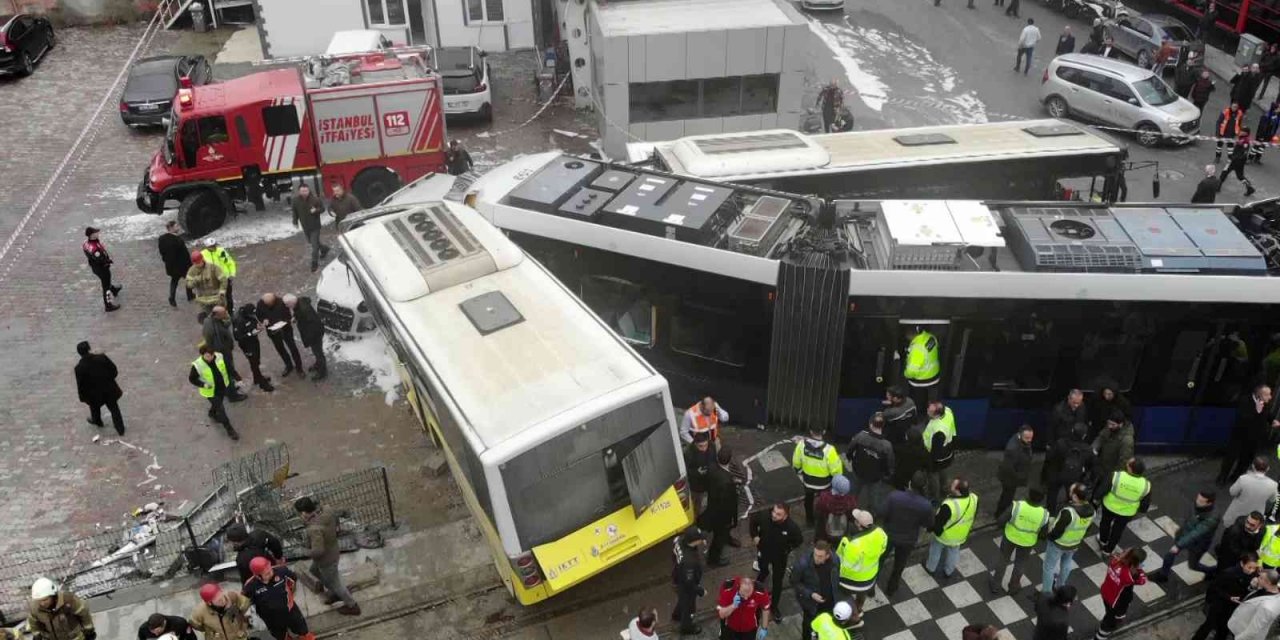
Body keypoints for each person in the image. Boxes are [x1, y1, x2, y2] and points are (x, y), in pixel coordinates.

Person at [295, 496, 361, 615]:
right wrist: (337, 528)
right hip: (333, 550)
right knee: (314, 571)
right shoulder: (327, 510)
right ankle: (335, 592)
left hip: (326, 560)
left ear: (304, 513)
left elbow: (318, 551)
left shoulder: (314, 529)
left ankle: (352, 605)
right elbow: (336, 518)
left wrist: (303, 551)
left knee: (335, 583)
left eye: (299, 513)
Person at [881, 471, 934, 597]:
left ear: (910, 483)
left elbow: (882, 512)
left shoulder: (894, 496)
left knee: (879, 559)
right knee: (899, 564)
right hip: (908, 540)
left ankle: (870, 585)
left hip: (889, 535)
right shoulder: (926, 505)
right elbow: (929, 524)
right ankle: (891, 588)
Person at [1149, 490, 1220, 582]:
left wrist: (1179, 545)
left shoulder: (1212, 518)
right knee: (1169, 555)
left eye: (1201, 501)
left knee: (1193, 566)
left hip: (1198, 544)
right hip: (1184, 536)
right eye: (1198, 498)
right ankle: (1163, 575)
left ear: (1209, 503)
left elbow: (1196, 533)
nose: (1197, 502)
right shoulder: (1198, 506)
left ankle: (1212, 570)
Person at [989, 487, 1049, 595]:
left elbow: (1001, 520)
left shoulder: (1017, 506)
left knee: (1003, 560)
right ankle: (1013, 587)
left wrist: (1003, 526)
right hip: (1027, 542)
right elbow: (1044, 534)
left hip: (1010, 537)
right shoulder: (1044, 514)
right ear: (1041, 499)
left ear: (1029, 495)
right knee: (1020, 563)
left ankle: (995, 585)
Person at [1193, 552, 1260, 640]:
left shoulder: (1253, 575)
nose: (1252, 570)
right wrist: (1229, 597)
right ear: (1242, 563)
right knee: (1208, 626)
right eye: (1249, 567)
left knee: (1223, 630)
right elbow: (1215, 587)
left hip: (1233, 608)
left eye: (1254, 568)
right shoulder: (1229, 573)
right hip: (1220, 605)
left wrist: (1252, 586)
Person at [750, 502, 802, 616]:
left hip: (779, 557)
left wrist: (787, 549)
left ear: (785, 515)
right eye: (774, 512)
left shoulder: (791, 527)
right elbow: (753, 522)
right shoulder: (764, 517)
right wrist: (755, 536)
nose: (774, 515)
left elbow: (798, 540)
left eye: (778, 514)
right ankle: (760, 581)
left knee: (777, 581)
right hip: (763, 551)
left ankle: (774, 606)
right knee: (762, 570)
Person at [242, 556, 312, 640]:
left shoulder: (282, 571)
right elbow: (244, 603)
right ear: (258, 576)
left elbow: (293, 581)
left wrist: (290, 595)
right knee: (282, 637)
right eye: (267, 574)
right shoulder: (250, 586)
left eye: (270, 569)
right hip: (272, 620)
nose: (270, 573)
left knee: (304, 633)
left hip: (291, 612)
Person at [1042, 483, 1094, 594]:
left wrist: (1049, 537)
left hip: (1058, 544)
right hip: (1074, 543)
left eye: (1071, 491)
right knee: (1066, 564)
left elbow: (1057, 531)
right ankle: (1060, 586)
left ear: (1075, 497)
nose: (1069, 493)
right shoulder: (1092, 511)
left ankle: (1046, 593)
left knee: (1049, 568)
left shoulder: (1068, 512)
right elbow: (1087, 528)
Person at [1219, 384, 1276, 484]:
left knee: (1246, 460)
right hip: (1240, 436)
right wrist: (1257, 412)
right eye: (1267, 395)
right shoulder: (1245, 401)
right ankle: (1222, 477)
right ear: (1259, 395)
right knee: (1231, 457)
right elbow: (1244, 418)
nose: (1270, 397)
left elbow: (1268, 414)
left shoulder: (1266, 404)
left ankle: (1235, 477)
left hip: (1254, 438)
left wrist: (1272, 421)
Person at [835, 509, 884, 622]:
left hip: (850, 581)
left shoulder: (849, 543)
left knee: (844, 597)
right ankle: (859, 609)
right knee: (862, 595)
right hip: (870, 579)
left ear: (858, 524)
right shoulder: (880, 533)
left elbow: (840, 560)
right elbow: (882, 549)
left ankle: (850, 615)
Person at [1095, 457, 1152, 554]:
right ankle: (1108, 550)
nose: (1126, 464)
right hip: (1127, 512)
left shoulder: (1116, 476)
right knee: (1118, 530)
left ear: (1130, 468)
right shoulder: (1146, 485)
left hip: (1110, 506)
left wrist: (1096, 498)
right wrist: (1140, 510)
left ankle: (1102, 540)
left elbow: (1102, 490)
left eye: (1128, 464)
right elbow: (1145, 504)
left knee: (1105, 523)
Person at [189, 344, 243, 440]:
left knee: (218, 404)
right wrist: (203, 385)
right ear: (202, 355)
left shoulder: (219, 356)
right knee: (221, 409)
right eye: (207, 356)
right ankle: (229, 429)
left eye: (211, 355)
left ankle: (212, 413)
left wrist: (237, 377)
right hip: (210, 392)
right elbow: (192, 379)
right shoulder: (197, 365)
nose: (210, 358)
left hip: (222, 387)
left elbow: (228, 367)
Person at [926, 477, 977, 579]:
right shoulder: (974, 498)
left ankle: (931, 568)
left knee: (935, 550)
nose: (950, 486)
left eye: (953, 486)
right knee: (954, 552)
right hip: (961, 534)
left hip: (945, 535)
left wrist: (930, 529)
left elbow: (938, 523)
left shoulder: (949, 505)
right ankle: (948, 571)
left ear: (957, 491)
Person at [847, 413, 894, 517]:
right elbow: (890, 463)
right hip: (875, 477)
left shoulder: (861, 436)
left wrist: (850, 458)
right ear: (883, 426)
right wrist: (887, 474)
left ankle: (850, 513)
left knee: (853, 495)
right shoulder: (886, 445)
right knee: (874, 500)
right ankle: (872, 517)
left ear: (871, 424)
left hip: (858, 472)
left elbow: (850, 449)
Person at [794, 428, 843, 525]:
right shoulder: (829, 449)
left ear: (811, 431)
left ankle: (809, 520)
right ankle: (822, 520)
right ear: (824, 432)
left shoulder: (801, 445)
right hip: (824, 484)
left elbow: (796, 462)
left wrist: (799, 471)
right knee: (824, 502)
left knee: (808, 500)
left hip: (808, 481)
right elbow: (836, 470)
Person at [1095, 548, 1147, 640]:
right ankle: (1100, 637)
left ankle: (1117, 618)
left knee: (1113, 612)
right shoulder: (1129, 576)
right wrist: (1139, 570)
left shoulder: (1115, 560)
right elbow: (1142, 581)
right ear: (1136, 563)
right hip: (1114, 600)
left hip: (1106, 592)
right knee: (1109, 620)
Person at [75, 340, 124, 436]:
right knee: (114, 409)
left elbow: (81, 385)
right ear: (89, 348)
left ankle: (97, 422)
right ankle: (120, 429)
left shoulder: (79, 368)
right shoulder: (102, 358)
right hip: (108, 389)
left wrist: (83, 398)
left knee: (94, 408)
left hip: (93, 393)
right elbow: (114, 370)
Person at [792, 540, 840, 636]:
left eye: (820, 556)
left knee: (827, 625)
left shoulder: (835, 560)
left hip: (830, 602)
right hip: (812, 605)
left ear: (827, 556)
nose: (816, 558)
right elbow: (794, 582)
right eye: (815, 554)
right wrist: (811, 594)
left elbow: (837, 577)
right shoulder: (802, 564)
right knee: (808, 626)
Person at [1043, 424, 1094, 512]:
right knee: (1071, 494)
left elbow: (1050, 457)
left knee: (1052, 494)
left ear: (1072, 431)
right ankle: (1068, 511)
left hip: (1057, 473)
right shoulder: (1087, 449)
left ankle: (1050, 513)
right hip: (1073, 476)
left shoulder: (1061, 443)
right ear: (1084, 435)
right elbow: (1091, 464)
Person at [701, 447, 739, 567]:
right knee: (718, 538)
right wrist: (733, 517)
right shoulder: (727, 482)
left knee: (722, 533)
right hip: (722, 515)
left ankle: (728, 538)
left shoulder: (712, 468)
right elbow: (729, 503)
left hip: (713, 506)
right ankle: (713, 559)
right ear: (729, 460)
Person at [28, 577, 95, 640]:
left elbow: (84, 613)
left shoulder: (69, 600)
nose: (42, 603)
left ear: (53, 595)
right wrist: (37, 635)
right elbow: (33, 623)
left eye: (45, 600)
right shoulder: (35, 607)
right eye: (39, 600)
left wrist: (89, 630)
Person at [672, 527, 708, 636]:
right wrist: (700, 591)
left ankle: (677, 615)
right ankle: (686, 627)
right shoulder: (690, 562)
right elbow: (689, 583)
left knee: (682, 599)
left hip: (677, 574)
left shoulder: (677, 540)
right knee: (689, 606)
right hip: (685, 584)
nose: (702, 540)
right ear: (694, 541)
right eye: (700, 539)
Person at [258, 293, 305, 378]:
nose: (267, 305)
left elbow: (288, 317)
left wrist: (282, 324)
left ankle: (299, 368)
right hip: (272, 332)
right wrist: (264, 320)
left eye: (269, 304)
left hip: (285, 330)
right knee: (280, 349)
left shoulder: (282, 303)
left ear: (273, 301)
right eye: (266, 304)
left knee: (293, 348)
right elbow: (259, 315)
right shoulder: (261, 303)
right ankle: (288, 365)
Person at [994, 425, 1035, 519]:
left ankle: (1001, 513)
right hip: (1010, 478)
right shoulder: (1013, 449)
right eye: (1027, 438)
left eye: (1031, 438)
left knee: (1007, 495)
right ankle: (1000, 515)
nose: (1030, 440)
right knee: (1007, 497)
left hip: (1014, 476)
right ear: (1020, 435)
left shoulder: (1021, 442)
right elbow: (1008, 468)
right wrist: (1019, 478)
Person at [1228, 568, 1280, 640]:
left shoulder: (1267, 607)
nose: (1257, 578)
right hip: (1241, 624)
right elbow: (1256, 597)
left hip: (1243, 634)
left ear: (1268, 582)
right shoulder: (1270, 589)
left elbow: (1253, 630)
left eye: (1261, 578)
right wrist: (1253, 587)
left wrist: (1238, 638)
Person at [233, 304, 274, 393]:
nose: (253, 315)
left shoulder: (250, 315)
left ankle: (257, 378)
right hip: (246, 345)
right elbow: (238, 337)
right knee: (254, 362)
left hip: (254, 341)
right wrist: (251, 333)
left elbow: (254, 321)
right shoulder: (238, 320)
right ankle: (262, 383)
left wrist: (257, 327)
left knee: (257, 360)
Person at [285, 294, 327, 380]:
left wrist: (310, 338)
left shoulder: (304, 310)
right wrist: (295, 317)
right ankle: (318, 364)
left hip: (315, 335)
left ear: (291, 303)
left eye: (287, 304)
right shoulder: (299, 303)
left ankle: (322, 372)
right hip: (313, 333)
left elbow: (313, 325)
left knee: (318, 353)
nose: (286, 306)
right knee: (316, 351)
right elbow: (299, 313)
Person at [717, 576, 772, 640]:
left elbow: (765, 608)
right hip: (730, 626)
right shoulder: (727, 588)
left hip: (750, 627)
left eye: (749, 595)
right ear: (738, 588)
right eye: (743, 595)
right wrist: (733, 606)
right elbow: (721, 614)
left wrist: (764, 628)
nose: (746, 598)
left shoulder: (760, 591)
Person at [1226, 457, 1278, 524]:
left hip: (1238, 511)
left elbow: (1232, 492)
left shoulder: (1243, 478)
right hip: (1256, 515)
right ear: (1268, 468)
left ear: (1253, 466)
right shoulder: (1273, 484)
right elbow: (1272, 500)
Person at [922, 400, 956, 501]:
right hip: (948, 451)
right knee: (943, 473)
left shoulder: (938, 431)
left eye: (930, 410)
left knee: (933, 476)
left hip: (938, 458)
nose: (927, 410)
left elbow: (936, 450)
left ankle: (934, 497)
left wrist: (930, 462)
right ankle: (944, 490)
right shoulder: (948, 411)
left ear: (936, 415)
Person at [292, 183, 331, 272]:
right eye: (302, 191)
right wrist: (295, 222)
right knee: (312, 242)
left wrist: (316, 210)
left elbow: (322, 209)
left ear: (309, 190)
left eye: (306, 191)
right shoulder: (295, 200)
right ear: (299, 191)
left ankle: (314, 263)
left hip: (315, 226)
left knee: (314, 246)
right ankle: (325, 249)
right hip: (305, 226)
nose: (304, 192)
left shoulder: (315, 199)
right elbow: (295, 212)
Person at [202, 306, 243, 390]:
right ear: (217, 315)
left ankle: (231, 385)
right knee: (227, 371)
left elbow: (226, 323)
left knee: (229, 369)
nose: (226, 315)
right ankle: (231, 393)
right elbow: (209, 340)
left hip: (225, 350)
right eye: (224, 314)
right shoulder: (211, 327)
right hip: (221, 352)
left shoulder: (216, 320)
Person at [82, 226, 121, 312]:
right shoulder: (95, 248)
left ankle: (114, 290)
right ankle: (108, 305)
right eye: (96, 232)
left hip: (95, 268)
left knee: (106, 282)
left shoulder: (86, 243)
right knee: (106, 286)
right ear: (92, 235)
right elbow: (100, 259)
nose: (98, 233)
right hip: (102, 269)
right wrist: (107, 262)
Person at [902, 325, 940, 409]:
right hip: (934, 376)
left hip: (920, 381)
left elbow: (911, 372)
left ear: (909, 335)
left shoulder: (917, 349)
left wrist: (905, 374)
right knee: (932, 400)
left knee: (918, 401)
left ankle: (920, 413)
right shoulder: (930, 337)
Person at [814, 474, 858, 544]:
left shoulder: (824, 498)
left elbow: (818, 510)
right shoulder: (850, 500)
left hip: (826, 529)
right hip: (842, 529)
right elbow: (852, 515)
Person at [157, 220, 193, 307]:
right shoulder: (178, 240)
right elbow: (185, 255)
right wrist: (190, 264)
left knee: (174, 281)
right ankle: (190, 295)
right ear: (171, 228)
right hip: (183, 266)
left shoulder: (162, 239)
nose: (178, 228)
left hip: (171, 266)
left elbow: (162, 252)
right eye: (177, 226)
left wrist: (166, 260)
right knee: (189, 279)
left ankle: (172, 297)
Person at [186, 251, 226, 320]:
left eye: (199, 262)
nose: (198, 265)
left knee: (221, 319)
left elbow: (223, 280)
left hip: (216, 299)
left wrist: (222, 292)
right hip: (203, 301)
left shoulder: (213, 267)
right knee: (207, 321)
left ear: (202, 259)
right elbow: (188, 285)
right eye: (196, 263)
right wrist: (195, 281)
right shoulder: (192, 270)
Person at [1218, 128, 1258, 197]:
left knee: (1224, 172)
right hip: (1239, 161)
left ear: (1246, 133)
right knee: (1240, 176)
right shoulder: (1242, 139)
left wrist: (1233, 158)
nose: (1241, 132)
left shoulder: (1244, 141)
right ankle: (1250, 188)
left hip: (1235, 161)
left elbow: (1244, 152)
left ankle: (1217, 187)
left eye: (1242, 131)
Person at [1093, 411, 1135, 476]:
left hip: (1113, 472)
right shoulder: (1110, 428)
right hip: (1104, 465)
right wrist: (1094, 448)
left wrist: (1114, 476)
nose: (1109, 426)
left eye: (1113, 424)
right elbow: (1101, 437)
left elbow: (1123, 461)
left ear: (1120, 424)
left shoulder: (1127, 440)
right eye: (1108, 423)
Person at [200, 238, 237, 312]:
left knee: (228, 296)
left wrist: (232, 274)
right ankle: (219, 313)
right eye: (211, 246)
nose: (213, 248)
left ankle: (230, 310)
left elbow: (230, 263)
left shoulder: (221, 251)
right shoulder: (202, 254)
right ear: (207, 247)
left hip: (225, 278)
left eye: (214, 246)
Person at [685, 430, 717, 514]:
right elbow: (686, 471)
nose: (704, 448)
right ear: (695, 444)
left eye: (705, 445)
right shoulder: (689, 453)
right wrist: (697, 472)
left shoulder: (711, 446)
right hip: (696, 486)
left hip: (709, 481)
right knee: (696, 504)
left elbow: (714, 460)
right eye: (701, 446)